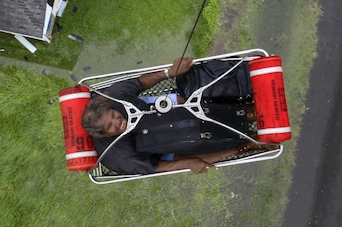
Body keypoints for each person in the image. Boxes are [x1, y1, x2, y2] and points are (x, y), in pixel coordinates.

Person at [81, 57, 260, 175]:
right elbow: (158, 167)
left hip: (152, 110)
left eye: (114, 115)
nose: (118, 122)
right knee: (187, 153)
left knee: (185, 100)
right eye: (110, 127)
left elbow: (140, 82)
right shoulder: (121, 157)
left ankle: (243, 110)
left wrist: (168, 73)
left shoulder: (111, 97)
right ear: (104, 135)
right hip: (156, 146)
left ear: (109, 107)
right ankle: (246, 144)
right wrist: (190, 163)